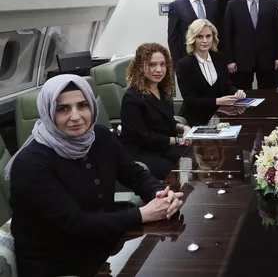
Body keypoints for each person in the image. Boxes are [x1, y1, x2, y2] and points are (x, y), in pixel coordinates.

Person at [7, 75, 184, 277]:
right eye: (63, 109)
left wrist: (159, 193)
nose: (75, 116)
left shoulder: (100, 136)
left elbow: (135, 174)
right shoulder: (30, 164)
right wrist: (143, 214)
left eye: (83, 105)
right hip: (59, 263)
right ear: (48, 113)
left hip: (104, 245)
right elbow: (75, 224)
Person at [120, 43, 191, 179]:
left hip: (162, 145)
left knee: (192, 154)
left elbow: (167, 121)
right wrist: (177, 140)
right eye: (152, 65)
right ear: (141, 67)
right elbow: (144, 137)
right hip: (142, 150)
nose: (159, 70)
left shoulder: (163, 91)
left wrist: (184, 128)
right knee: (170, 170)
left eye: (162, 64)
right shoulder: (131, 97)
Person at [175, 19, 246, 126]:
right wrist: (217, 101)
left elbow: (226, 86)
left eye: (208, 36)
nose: (205, 40)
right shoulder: (184, 64)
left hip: (220, 116)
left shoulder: (220, 58)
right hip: (194, 119)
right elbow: (190, 100)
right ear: (193, 39)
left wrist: (237, 92)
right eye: (200, 36)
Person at [223, 0, 278, 89]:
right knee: (242, 95)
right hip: (241, 61)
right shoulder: (233, 5)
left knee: (268, 95)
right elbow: (227, 34)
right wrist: (230, 60)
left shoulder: (271, 4)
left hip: (268, 60)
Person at [167, 0, 219, 67]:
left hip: (210, 57)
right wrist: (177, 64)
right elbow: (172, 38)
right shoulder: (176, 6)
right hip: (187, 59)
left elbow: (217, 31)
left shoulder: (213, 3)